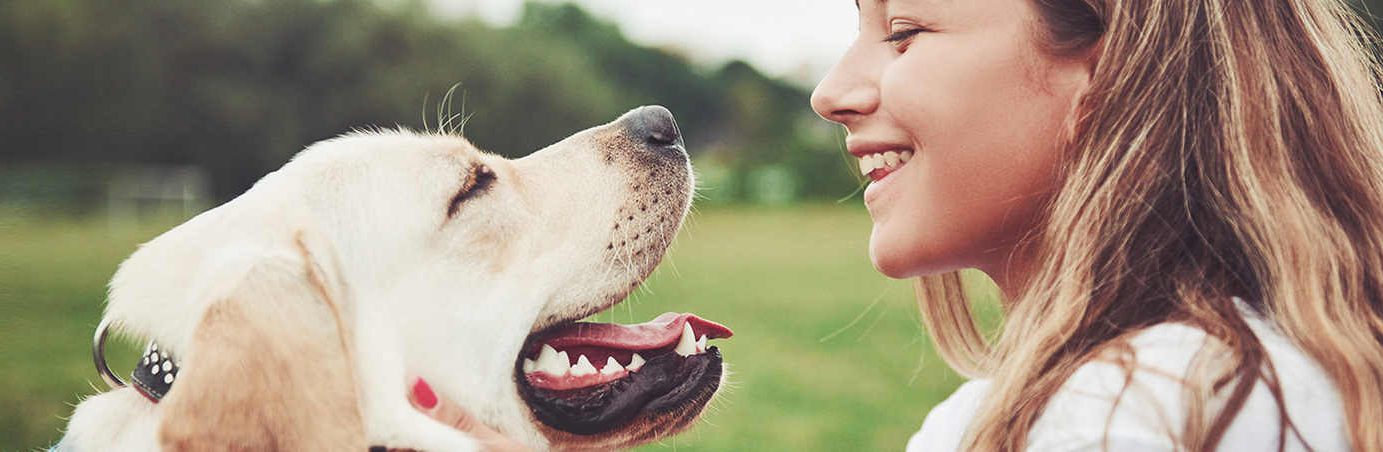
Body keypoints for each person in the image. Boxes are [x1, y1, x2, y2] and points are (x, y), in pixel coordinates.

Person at [409, 0, 1383, 449]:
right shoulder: (1005, 409)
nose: (832, 91)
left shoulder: (1147, 405)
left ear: (1112, 66)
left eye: (904, 30)